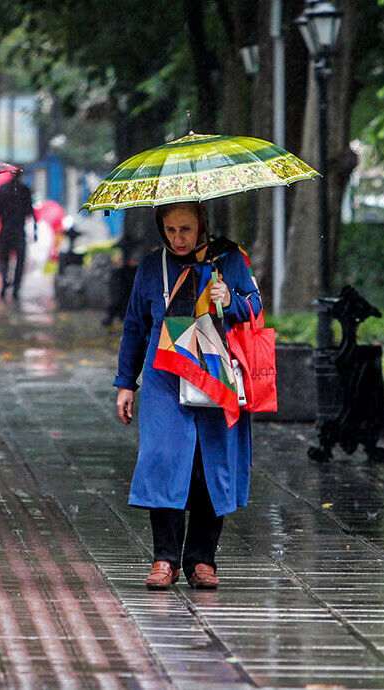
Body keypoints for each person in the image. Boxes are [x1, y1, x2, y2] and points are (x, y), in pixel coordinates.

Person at [114, 201, 260, 590]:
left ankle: (202, 559)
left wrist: (231, 300)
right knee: (163, 459)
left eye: (186, 229)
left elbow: (255, 305)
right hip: (163, 376)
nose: (178, 239)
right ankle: (165, 558)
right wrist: (126, 383)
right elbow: (134, 326)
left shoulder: (229, 259)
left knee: (209, 464)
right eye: (171, 230)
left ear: (202, 225)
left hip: (216, 373)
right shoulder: (151, 267)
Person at [0, 175, 35, 300]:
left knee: (3, 259)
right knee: (20, 260)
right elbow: (29, 211)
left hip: (5, 230)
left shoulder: (2, 189)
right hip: (19, 230)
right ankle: (16, 289)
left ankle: (5, 283)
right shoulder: (25, 190)